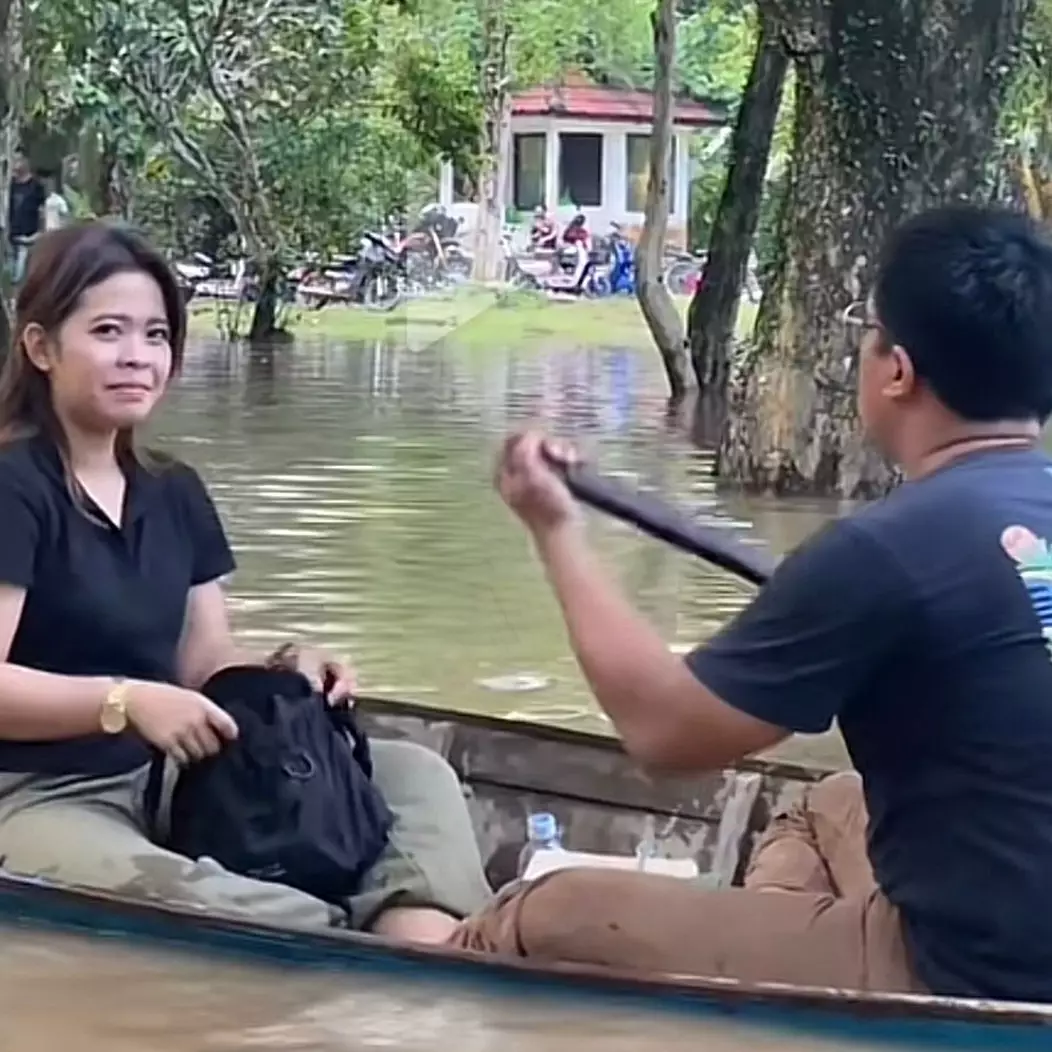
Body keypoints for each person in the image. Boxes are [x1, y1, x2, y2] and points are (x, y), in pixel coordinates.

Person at [448, 204, 1052, 1004]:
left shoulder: (883, 548)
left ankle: (427, 963)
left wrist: (557, 531)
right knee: (822, 805)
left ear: (897, 370)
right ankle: (772, 980)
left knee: (546, 911)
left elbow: (663, 731)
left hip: (981, 974)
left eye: (865, 331)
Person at [0, 221, 491, 943]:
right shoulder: (14, 486)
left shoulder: (173, 491)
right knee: (244, 912)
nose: (137, 357)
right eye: (108, 332)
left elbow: (202, 663)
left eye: (156, 336)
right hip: (35, 796)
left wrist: (289, 664)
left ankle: (415, 932)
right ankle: (342, 951)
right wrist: (124, 702)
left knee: (416, 776)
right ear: (41, 347)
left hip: (170, 776)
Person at [7, 149, 46, 285]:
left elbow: (42, 211)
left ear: (25, 162)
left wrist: (40, 233)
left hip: (28, 238)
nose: (15, 164)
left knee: (20, 278)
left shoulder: (35, 186)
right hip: (11, 238)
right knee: (10, 278)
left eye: (18, 160)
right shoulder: (9, 185)